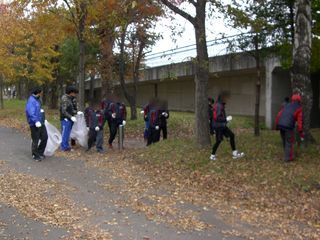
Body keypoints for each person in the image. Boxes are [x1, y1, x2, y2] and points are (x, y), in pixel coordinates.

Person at [210, 91, 244, 161]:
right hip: (219, 127)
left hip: (221, 126)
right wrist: (226, 119)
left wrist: (225, 120)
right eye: (226, 98)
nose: (227, 99)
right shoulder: (218, 106)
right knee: (218, 140)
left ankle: (234, 153)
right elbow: (217, 117)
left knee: (231, 135)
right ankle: (212, 156)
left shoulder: (220, 105)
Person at [275, 94, 304, 162]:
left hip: (280, 125)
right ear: (299, 100)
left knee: (285, 141)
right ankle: (288, 158)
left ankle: (287, 155)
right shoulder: (299, 108)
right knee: (289, 142)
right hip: (288, 126)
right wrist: (300, 130)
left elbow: (279, 115)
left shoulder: (286, 105)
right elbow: (300, 120)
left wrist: (276, 125)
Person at [25, 87, 48, 161]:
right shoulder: (31, 100)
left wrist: (43, 119)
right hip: (34, 123)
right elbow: (30, 111)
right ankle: (35, 155)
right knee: (36, 139)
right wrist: (35, 121)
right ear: (38, 92)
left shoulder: (38, 99)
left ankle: (40, 152)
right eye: (41, 92)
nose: (42, 94)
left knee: (45, 137)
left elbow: (40, 110)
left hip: (41, 122)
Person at [60, 86, 79, 151]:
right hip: (65, 119)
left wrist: (76, 112)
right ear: (71, 92)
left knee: (68, 133)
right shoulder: (65, 99)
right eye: (74, 93)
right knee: (65, 132)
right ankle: (64, 147)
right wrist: (71, 117)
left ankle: (66, 146)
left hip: (71, 118)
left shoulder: (71, 99)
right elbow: (63, 111)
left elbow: (72, 109)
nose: (75, 94)